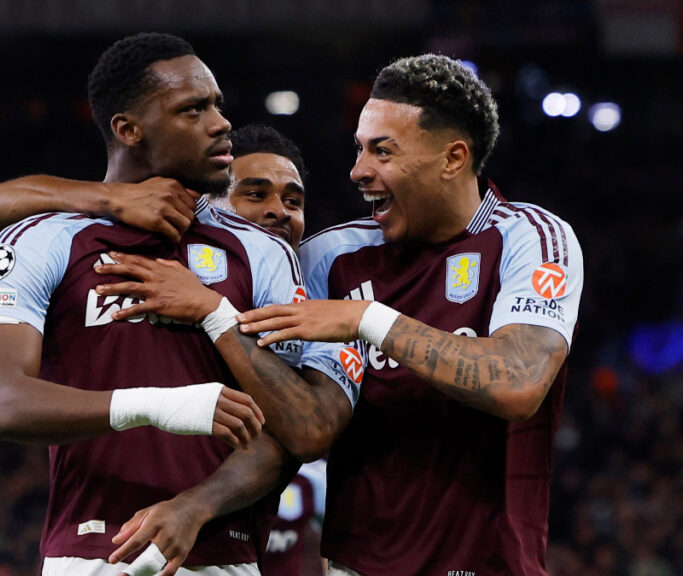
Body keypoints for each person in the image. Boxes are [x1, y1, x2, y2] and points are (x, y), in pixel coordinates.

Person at [0, 33, 357, 576]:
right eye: (193, 110)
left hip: (224, 556)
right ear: (128, 130)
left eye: (217, 105)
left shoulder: (261, 251)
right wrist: (157, 405)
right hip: (89, 555)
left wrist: (195, 505)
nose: (220, 123)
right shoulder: (44, 237)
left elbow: (296, 425)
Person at [237, 54, 584, 575]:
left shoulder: (529, 237)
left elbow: (518, 382)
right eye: (360, 149)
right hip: (357, 565)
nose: (358, 171)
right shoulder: (328, 258)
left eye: (383, 151)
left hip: (491, 565)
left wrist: (368, 320)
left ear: (453, 158)